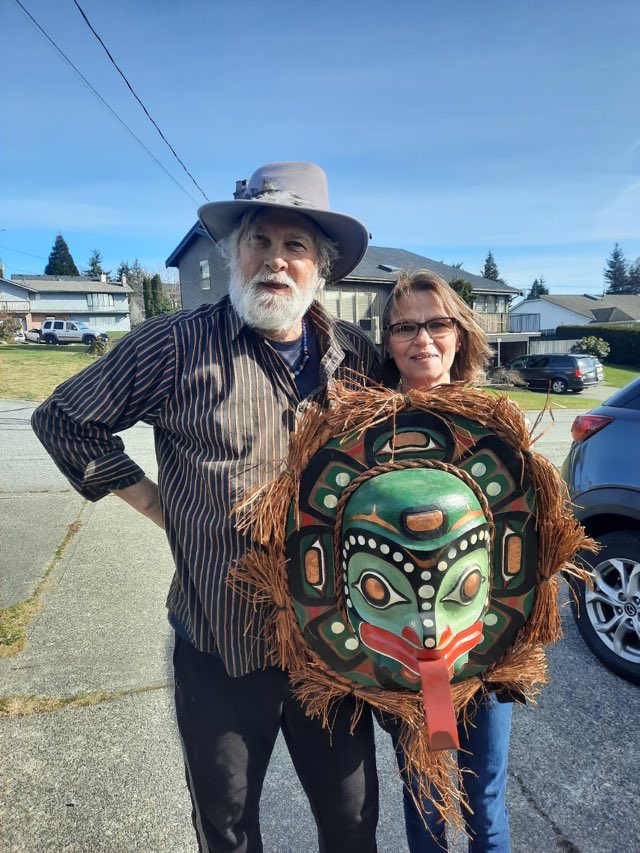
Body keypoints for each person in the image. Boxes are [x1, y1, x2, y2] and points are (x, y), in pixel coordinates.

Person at [31, 162, 381, 853]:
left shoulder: (358, 357)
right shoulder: (173, 344)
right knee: (227, 829)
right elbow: (65, 419)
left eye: (295, 245)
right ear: (232, 254)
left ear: (321, 267)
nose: (275, 260)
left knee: (351, 824)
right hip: (220, 640)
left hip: (335, 644)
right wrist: (156, 504)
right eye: (259, 241)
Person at [379, 268, 512, 853]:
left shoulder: (497, 423)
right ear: (387, 342)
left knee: (484, 799)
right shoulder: (363, 428)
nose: (422, 339)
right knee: (425, 796)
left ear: (460, 333)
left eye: (437, 323)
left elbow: (532, 537)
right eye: (405, 327)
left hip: (485, 651)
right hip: (402, 651)